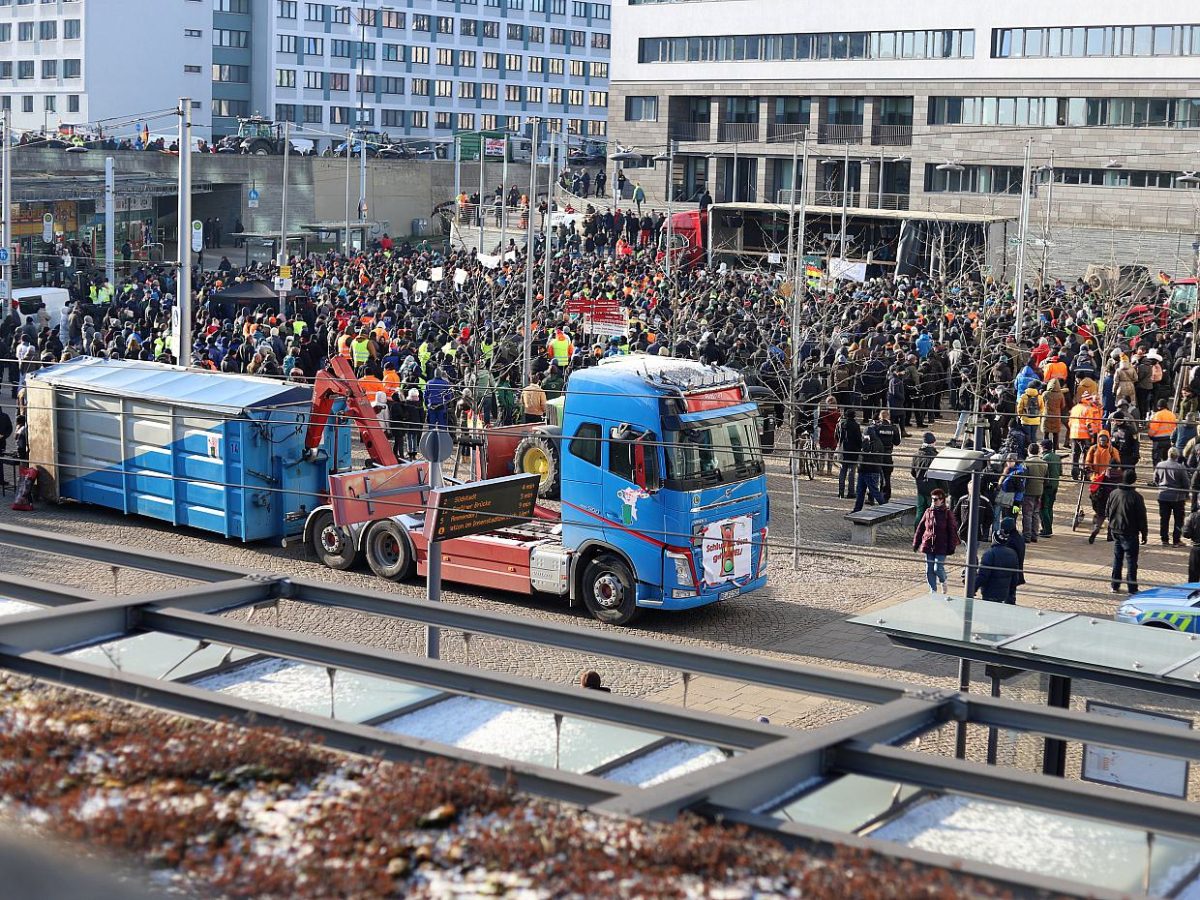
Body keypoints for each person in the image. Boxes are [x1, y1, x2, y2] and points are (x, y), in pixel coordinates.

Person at [1106, 467, 1148, 594]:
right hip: (1130, 532)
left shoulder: (1113, 493)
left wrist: (1112, 524)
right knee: (1131, 560)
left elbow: (1107, 511)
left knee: (1117, 558)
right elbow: (1142, 517)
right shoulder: (1136, 497)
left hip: (1116, 530)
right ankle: (1132, 588)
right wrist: (1144, 533)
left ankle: (1115, 585)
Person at [912, 488, 960, 594]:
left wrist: (952, 546)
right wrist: (916, 543)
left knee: (937, 568)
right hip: (928, 544)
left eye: (936, 499)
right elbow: (920, 528)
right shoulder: (928, 512)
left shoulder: (947, 513)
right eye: (933, 499)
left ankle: (943, 580)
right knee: (929, 569)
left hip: (942, 545)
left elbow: (952, 531)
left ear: (942, 500)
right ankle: (933, 590)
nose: (934, 501)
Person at [974, 524, 1020, 604]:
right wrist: (1011, 594)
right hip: (1004, 593)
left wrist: (973, 588)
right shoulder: (1013, 553)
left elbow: (983, 576)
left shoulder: (989, 554)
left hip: (989, 592)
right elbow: (1015, 577)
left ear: (994, 539)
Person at [1154, 446, 1189, 546]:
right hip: (1177, 497)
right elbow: (1186, 483)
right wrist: (1186, 494)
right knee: (1178, 519)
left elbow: (1155, 479)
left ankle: (1164, 539)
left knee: (1164, 518)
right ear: (1177, 456)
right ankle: (1176, 540)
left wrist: (1161, 487)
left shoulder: (1160, 465)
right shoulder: (1180, 467)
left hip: (1163, 495)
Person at [851, 422, 885, 513]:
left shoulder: (873, 443)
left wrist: (864, 443)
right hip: (864, 470)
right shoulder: (876, 442)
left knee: (874, 491)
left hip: (870, 471)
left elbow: (866, 454)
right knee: (860, 491)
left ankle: (886, 508)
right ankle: (857, 509)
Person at [911, 432, 938, 523]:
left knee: (920, 512)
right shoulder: (936, 457)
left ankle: (917, 533)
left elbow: (913, 472)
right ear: (933, 443)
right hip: (932, 489)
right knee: (932, 514)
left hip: (920, 488)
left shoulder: (916, 455)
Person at [835, 408, 862, 500]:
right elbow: (859, 439)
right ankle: (851, 492)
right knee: (852, 472)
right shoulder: (856, 425)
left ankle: (841, 492)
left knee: (843, 471)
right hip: (853, 451)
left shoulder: (841, 424)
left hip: (843, 449)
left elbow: (836, 436)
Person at [1021, 446, 1046, 543]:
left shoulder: (1027, 463)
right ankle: (1034, 535)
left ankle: (1027, 536)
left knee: (1027, 514)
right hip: (1039, 490)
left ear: (1028, 451)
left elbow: (1024, 479)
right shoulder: (1044, 463)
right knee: (1035, 513)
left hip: (1028, 491)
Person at [1039, 439, 1062, 538]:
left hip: (1047, 486)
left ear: (1044, 447)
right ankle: (1047, 528)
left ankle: (1047, 529)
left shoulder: (1045, 458)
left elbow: (1043, 472)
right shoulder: (1057, 457)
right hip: (1055, 485)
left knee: (1044, 508)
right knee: (1050, 508)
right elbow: (1060, 472)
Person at [1183, 504, 1200, 582]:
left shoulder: (1193, 516)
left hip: (1196, 548)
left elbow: (1186, 534)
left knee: (1193, 576)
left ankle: (1193, 592)